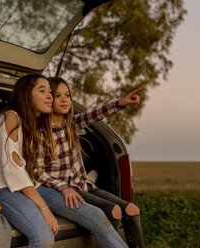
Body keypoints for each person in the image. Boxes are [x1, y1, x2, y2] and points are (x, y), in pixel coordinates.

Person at [0, 74, 128, 248]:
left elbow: (34, 171)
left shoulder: (33, 125)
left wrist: (63, 187)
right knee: (43, 238)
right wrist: (44, 208)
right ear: (26, 95)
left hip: (31, 185)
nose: (50, 96)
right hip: (2, 188)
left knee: (96, 215)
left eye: (50, 92)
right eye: (42, 91)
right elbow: (14, 171)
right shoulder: (11, 117)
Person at [36, 77, 145, 248]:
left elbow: (95, 113)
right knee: (113, 211)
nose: (65, 100)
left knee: (132, 210)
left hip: (83, 185)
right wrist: (62, 186)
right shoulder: (40, 133)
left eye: (68, 95)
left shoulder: (72, 125)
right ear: (49, 99)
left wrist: (121, 103)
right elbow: (37, 172)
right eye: (58, 96)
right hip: (62, 189)